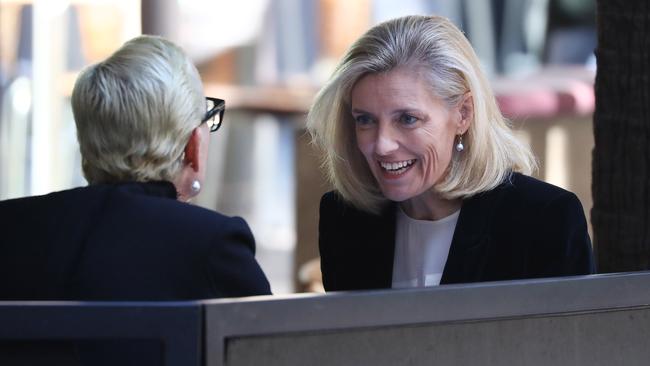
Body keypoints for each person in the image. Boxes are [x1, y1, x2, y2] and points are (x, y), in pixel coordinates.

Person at [307, 15, 595, 292]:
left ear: (463, 114)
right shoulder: (344, 218)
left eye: (407, 119)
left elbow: (568, 340)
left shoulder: (544, 220)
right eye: (365, 120)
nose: (382, 144)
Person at [0, 35, 271, 300]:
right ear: (192, 146)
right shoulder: (212, 245)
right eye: (208, 118)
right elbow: (276, 342)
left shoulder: (11, 229)